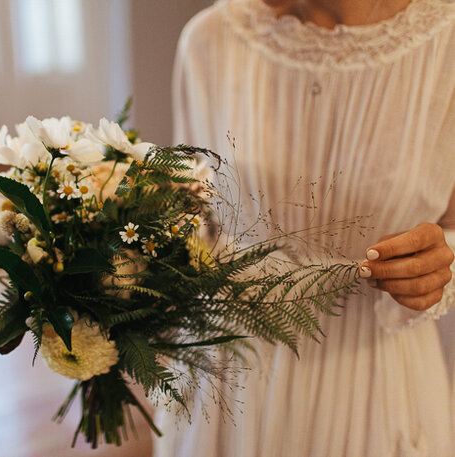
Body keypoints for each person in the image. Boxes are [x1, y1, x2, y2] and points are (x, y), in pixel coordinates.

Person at [154, 0, 455, 455]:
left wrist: (437, 267)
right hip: (230, 369)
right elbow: (197, 216)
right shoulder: (209, 37)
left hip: (369, 374)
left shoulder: (445, 41)